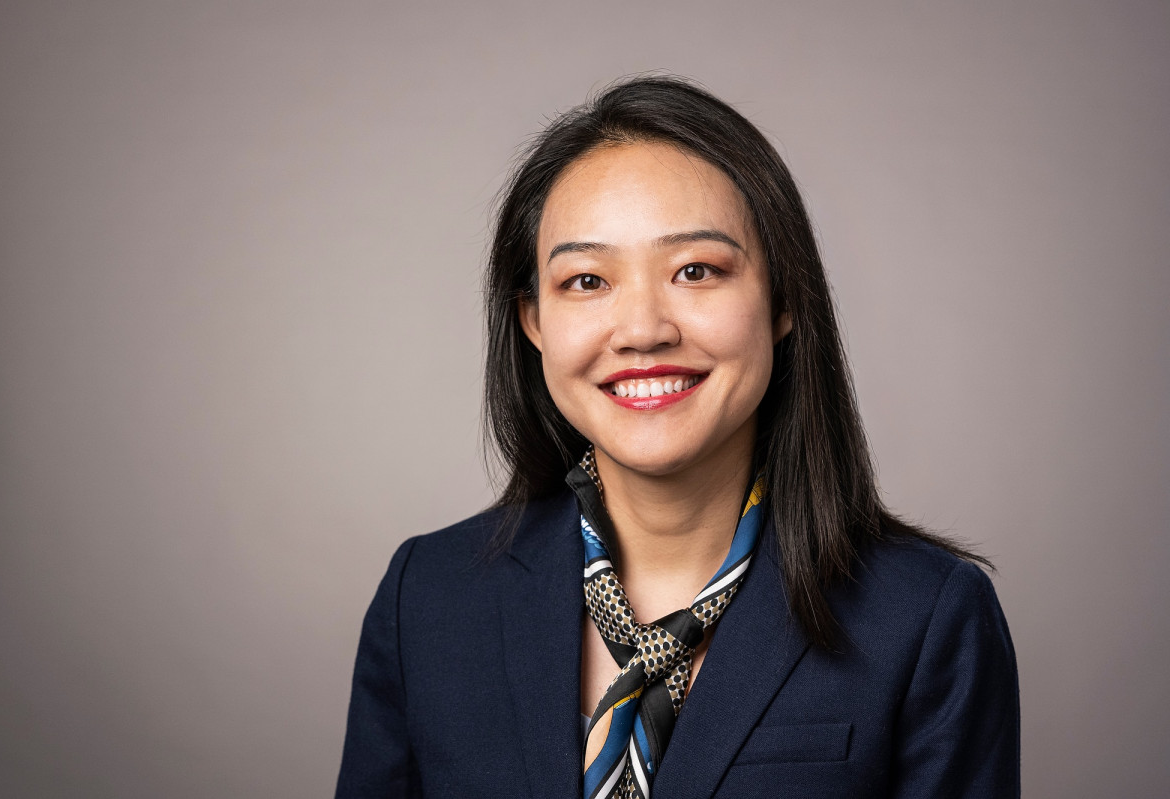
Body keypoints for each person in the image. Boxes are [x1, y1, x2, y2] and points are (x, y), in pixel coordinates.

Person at [335, 76, 1020, 799]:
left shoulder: (926, 616)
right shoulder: (427, 599)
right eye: (587, 280)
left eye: (696, 270)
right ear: (533, 321)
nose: (642, 330)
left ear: (783, 299)